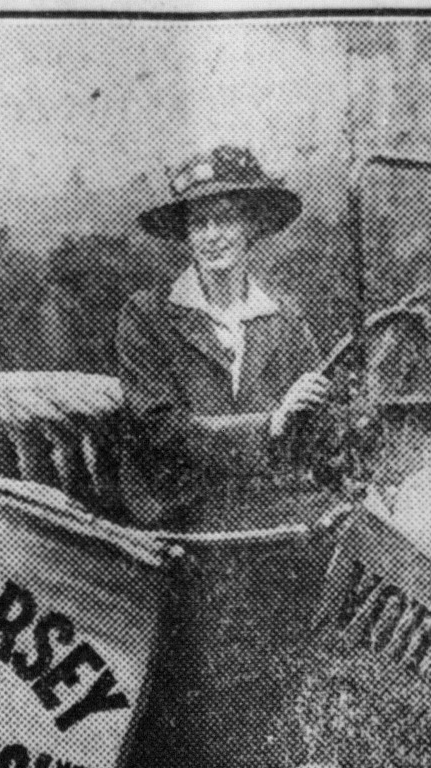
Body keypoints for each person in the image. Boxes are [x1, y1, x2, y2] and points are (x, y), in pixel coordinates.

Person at [116, 145, 332, 529]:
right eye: (200, 223)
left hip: (270, 501)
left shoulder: (284, 316)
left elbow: (314, 425)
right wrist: (270, 426)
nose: (212, 236)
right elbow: (162, 431)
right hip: (181, 512)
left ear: (251, 225)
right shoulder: (147, 315)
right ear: (186, 233)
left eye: (226, 219)